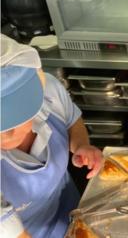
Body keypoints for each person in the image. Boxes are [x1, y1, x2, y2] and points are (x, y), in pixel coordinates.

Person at [0, 34, 103, 238]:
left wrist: (81, 145)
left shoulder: (48, 91)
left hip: (73, 214)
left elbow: (71, 119)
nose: (6, 135)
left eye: (15, 115)